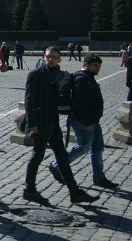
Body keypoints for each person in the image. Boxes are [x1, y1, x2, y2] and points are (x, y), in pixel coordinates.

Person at [23, 46, 99, 206]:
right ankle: (29, 190)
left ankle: (74, 192)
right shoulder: (35, 74)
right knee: (37, 156)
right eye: (48, 57)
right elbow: (29, 100)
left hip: (53, 122)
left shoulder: (59, 75)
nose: (50, 59)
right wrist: (32, 124)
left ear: (59, 59)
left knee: (62, 158)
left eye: (54, 57)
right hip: (40, 122)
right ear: (44, 57)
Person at [48, 54, 117, 190]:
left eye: (99, 66)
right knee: (82, 147)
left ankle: (99, 178)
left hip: (92, 120)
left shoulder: (88, 77)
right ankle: (56, 165)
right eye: (95, 66)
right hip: (83, 120)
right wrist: (88, 122)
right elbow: (79, 103)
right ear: (86, 64)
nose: (97, 68)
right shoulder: (82, 79)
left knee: (97, 148)